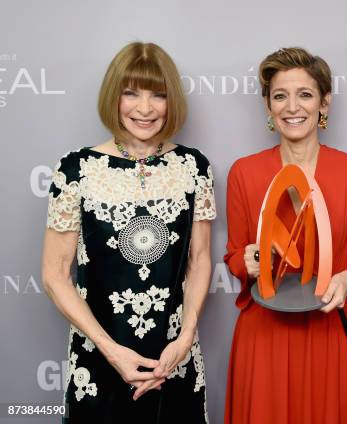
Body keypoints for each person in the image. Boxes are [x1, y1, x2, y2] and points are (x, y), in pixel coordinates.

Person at [41, 42, 216, 423]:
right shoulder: (76, 169)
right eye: (131, 92)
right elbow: (55, 275)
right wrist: (110, 349)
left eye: (158, 94)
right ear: (113, 96)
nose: (145, 108)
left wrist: (185, 339)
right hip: (99, 355)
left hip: (174, 356)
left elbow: (200, 259)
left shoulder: (193, 167)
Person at [223, 47, 347, 423]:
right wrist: (244, 261)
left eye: (305, 94)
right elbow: (234, 254)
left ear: (324, 102)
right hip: (266, 335)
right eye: (279, 96)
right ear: (268, 106)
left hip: (335, 328)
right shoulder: (243, 173)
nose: (292, 107)